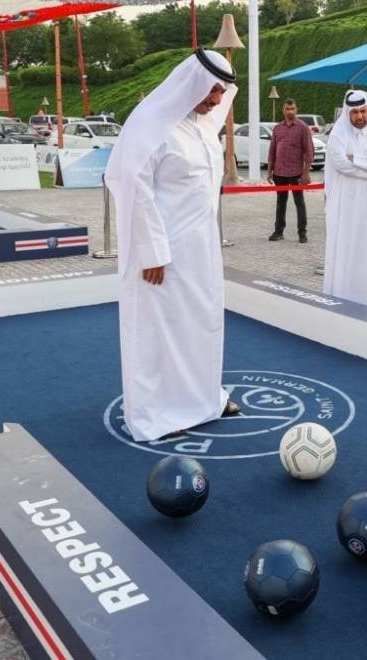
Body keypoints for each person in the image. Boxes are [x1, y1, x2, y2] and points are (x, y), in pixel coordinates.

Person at [105, 48, 241, 442]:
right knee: (156, 334)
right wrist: (152, 252)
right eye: (212, 91)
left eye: (222, 93)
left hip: (201, 251)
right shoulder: (152, 124)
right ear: (192, 83)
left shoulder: (202, 125)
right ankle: (155, 414)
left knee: (200, 325)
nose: (217, 101)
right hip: (160, 255)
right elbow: (134, 186)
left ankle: (202, 401)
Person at [323, 90, 367, 307]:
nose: (359, 116)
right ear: (348, 113)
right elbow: (340, 164)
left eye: (363, 111)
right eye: (354, 112)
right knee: (344, 249)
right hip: (344, 206)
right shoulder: (338, 136)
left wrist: (357, 159)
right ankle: (341, 298)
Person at [267, 98, 314, 243]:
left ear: (296, 109)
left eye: (292, 109)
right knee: (281, 202)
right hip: (279, 172)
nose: (290, 112)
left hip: (296, 173)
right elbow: (272, 151)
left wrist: (306, 173)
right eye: (287, 109)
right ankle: (278, 231)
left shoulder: (303, 128)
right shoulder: (277, 128)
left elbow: (309, 152)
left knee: (299, 202)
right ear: (283, 110)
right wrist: (270, 171)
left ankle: (302, 233)